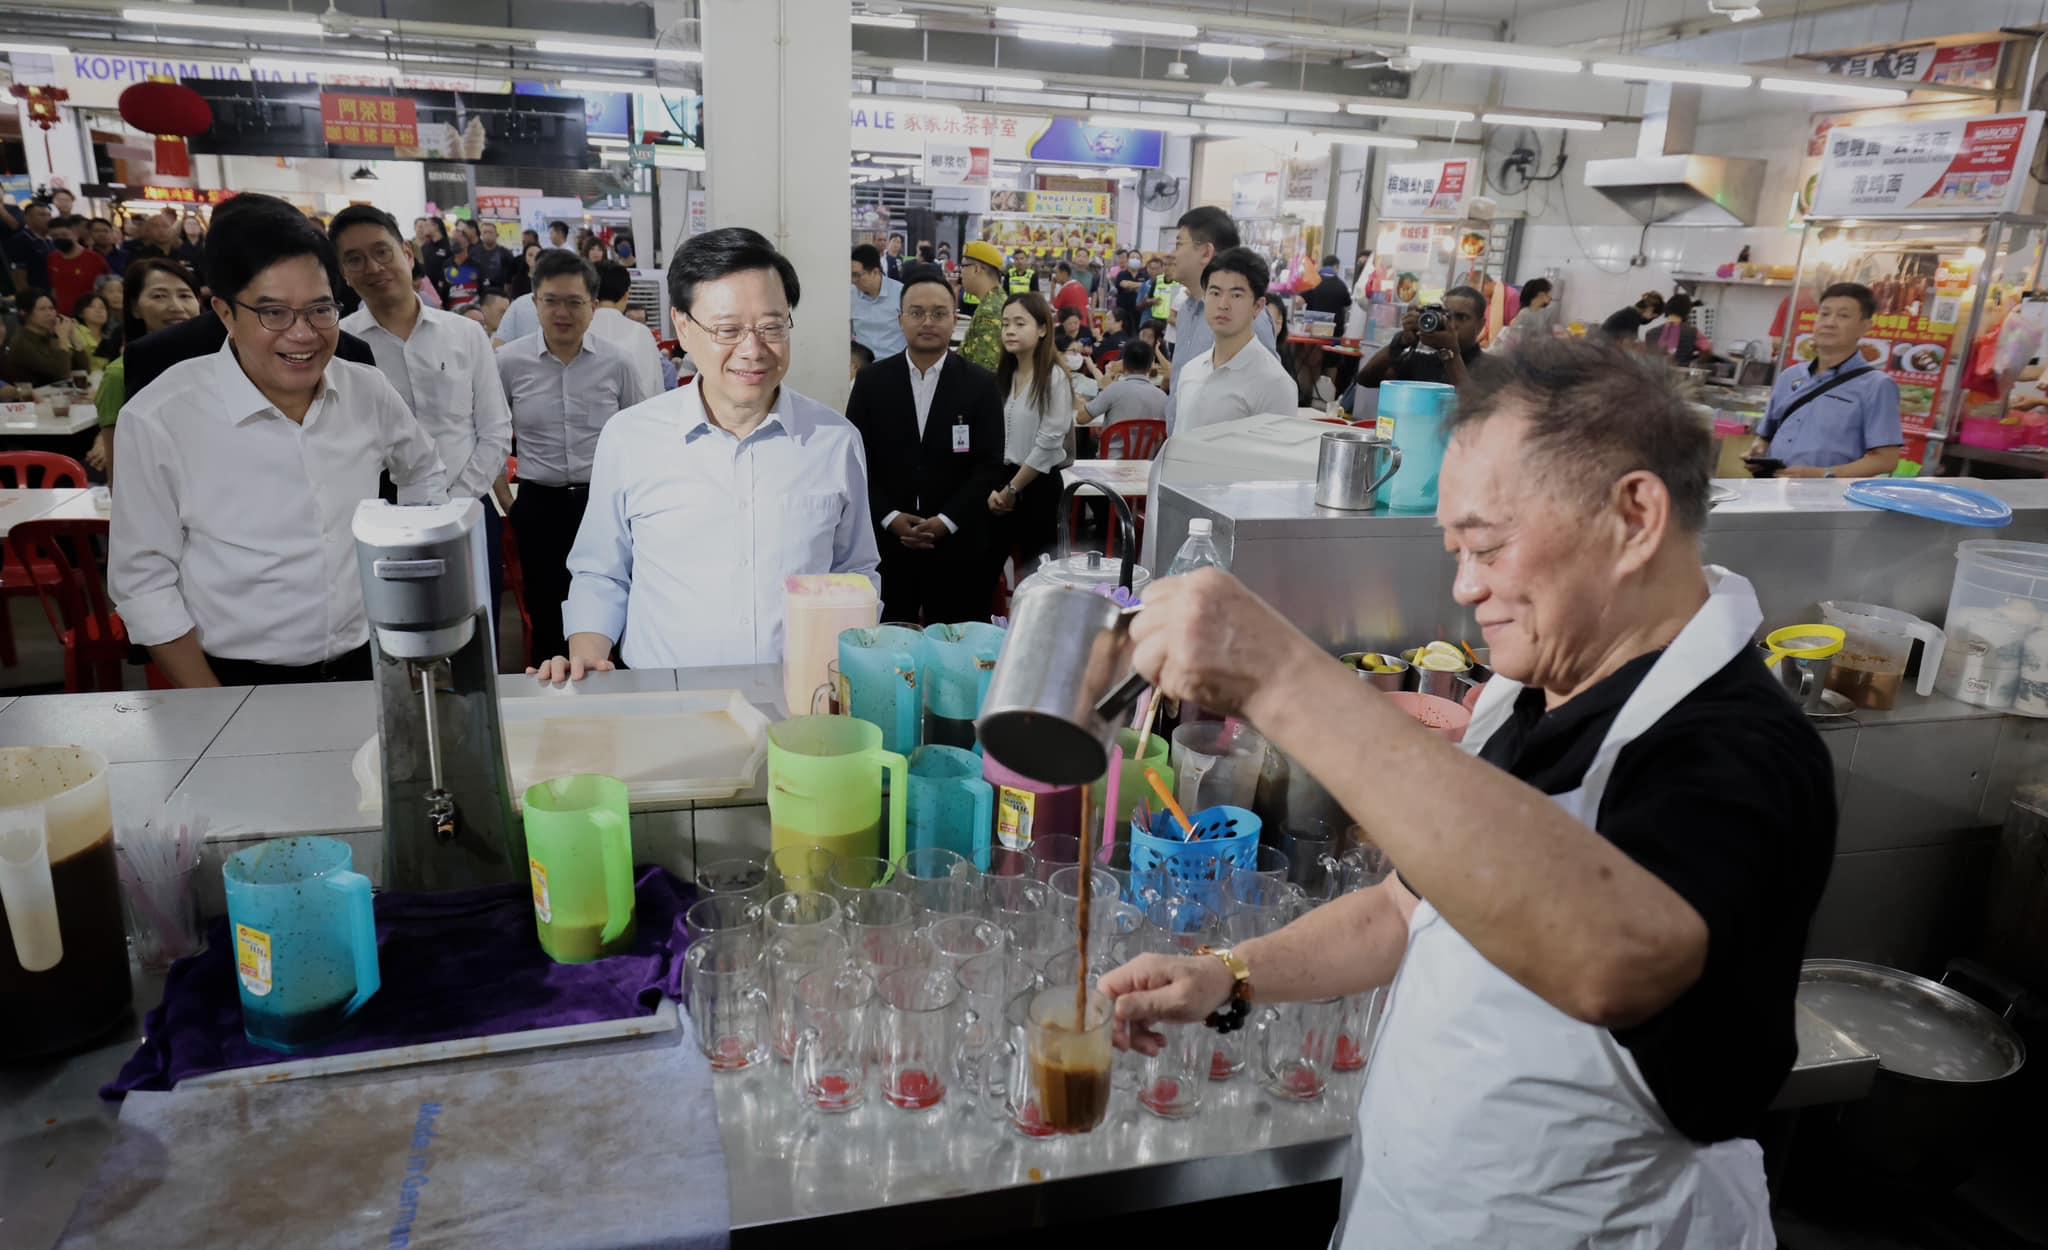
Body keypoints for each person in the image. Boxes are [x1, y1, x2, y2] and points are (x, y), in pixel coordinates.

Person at [1101, 335, 1832, 1250]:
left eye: (1486, 547)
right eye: (1456, 550)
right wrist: (1231, 975)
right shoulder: (1526, 693)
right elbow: (1409, 908)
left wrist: (1280, 675)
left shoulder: (1741, 753)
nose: (1464, 587)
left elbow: (1613, 958)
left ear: (1635, 516)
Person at [110, 205, 449, 688]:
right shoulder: (161, 417)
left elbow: (422, 470)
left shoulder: (366, 390)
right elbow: (142, 580)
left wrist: (408, 573)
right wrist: (212, 704)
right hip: (234, 678)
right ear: (225, 312)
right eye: (273, 312)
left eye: (320, 309)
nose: (303, 333)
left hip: (369, 664)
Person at [535, 227, 880, 680]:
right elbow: (601, 572)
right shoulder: (631, 438)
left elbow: (855, 571)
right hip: (666, 698)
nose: (752, 350)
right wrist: (587, 655)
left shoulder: (834, 441)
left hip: (801, 695)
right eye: (728, 329)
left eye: (772, 327)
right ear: (683, 326)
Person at [333, 204, 514, 604]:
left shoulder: (465, 334)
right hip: (378, 522)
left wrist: (453, 501)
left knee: (475, 624)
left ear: (407, 254)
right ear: (343, 273)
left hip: (466, 508)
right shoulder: (339, 345)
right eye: (355, 259)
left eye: (382, 252)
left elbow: (496, 429)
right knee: (390, 624)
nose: (373, 268)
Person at [496, 250, 650, 659]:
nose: (562, 312)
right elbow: (490, 434)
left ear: (593, 306)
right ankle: (551, 690)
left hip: (600, 504)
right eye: (551, 301)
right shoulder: (509, 363)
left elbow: (639, 436)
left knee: (610, 605)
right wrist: (508, 501)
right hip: (537, 504)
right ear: (535, 303)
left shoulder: (617, 363)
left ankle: (608, 684)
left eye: (574, 302)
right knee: (546, 609)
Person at [845, 265, 1006, 625]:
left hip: (958, 545)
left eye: (939, 313)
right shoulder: (872, 382)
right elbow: (855, 460)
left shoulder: (980, 385)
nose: (928, 322)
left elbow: (989, 465)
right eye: (917, 313)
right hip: (886, 545)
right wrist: (890, 517)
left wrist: (946, 521)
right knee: (889, 640)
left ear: (954, 320)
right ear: (900, 319)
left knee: (955, 641)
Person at [1745, 282, 1902, 479]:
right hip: (1773, 487)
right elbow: (1766, 436)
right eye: (1824, 314)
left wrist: (1821, 475)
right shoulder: (1790, 376)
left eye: (1843, 316)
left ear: (1865, 327)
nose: (1830, 323)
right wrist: (1758, 450)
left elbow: (1886, 460)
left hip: (1831, 495)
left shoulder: (1877, 386)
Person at [1163, 206, 1279, 428]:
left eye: (1179, 244)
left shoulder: (1248, 317)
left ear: (1206, 252)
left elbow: (1266, 395)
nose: (1171, 255)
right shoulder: (1187, 310)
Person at [987, 293, 1074, 577]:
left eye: (1020, 323)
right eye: (1005, 324)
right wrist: (997, 487)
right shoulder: (1003, 376)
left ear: (1042, 329)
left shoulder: (1053, 377)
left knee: (1037, 575)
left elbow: (1049, 442)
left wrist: (1013, 489)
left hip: (1038, 486)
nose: (1010, 331)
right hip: (1001, 484)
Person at [89, 257, 202, 475]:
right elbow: (119, 473)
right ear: (135, 308)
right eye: (159, 296)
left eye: (185, 295)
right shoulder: (120, 374)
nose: (176, 307)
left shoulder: (220, 365)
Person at [1171, 248, 1300, 437]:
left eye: (1236, 295)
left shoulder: (1274, 383)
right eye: (1215, 293)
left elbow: (1275, 455)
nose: (1223, 304)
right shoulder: (1191, 370)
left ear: (1258, 307)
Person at [1342, 284, 1487, 414]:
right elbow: (1366, 379)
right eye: (1447, 316)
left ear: (1481, 325)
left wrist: (1450, 352)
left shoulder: (1492, 367)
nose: (1452, 324)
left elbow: (1473, 408)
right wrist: (1400, 342)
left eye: (1462, 317)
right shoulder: (1424, 361)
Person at [589, 259, 665, 398]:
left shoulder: (578, 331)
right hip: (638, 410)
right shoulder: (641, 333)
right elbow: (657, 387)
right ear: (626, 295)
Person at [0, 290, 88, 386]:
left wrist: (73, 336)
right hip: (34, 394)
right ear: (24, 313)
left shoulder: (50, 337)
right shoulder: (21, 342)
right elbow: (62, 375)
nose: (49, 313)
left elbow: (84, 370)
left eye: (51, 308)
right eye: (42, 309)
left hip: (58, 392)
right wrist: (63, 338)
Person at [1083, 339, 1167, 428]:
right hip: (1150, 438)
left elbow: (1081, 418)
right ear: (1150, 366)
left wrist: (1102, 390)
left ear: (1124, 363)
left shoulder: (1113, 390)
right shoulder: (1163, 397)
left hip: (1115, 437)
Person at [957, 240, 1009, 373]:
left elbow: (984, 369)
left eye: (963, 266)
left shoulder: (990, 311)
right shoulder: (993, 301)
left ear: (977, 269)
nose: (960, 272)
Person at [850, 243, 906, 360]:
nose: (853, 280)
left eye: (857, 275)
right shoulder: (850, 295)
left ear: (875, 272)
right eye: (851, 275)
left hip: (893, 363)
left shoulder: (901, 293)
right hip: (864, 365)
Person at [46, 215, 110, 315]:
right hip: (63, 316)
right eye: (55, 236)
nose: (60, 239)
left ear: (75, 234)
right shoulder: (52, 259)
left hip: (88, 316)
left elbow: (106, 289)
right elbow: (54, 289)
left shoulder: (95, 259)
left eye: (64, 235)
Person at [5, 198, 53, 296]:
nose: (47, 218)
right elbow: (19, 276)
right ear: (27, 218)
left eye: (49, 215)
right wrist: (28, 298)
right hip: (36, 295)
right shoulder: (20, 240)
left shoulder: (52, 239)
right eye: (42, 215)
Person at [1494, 277, 1554, 353]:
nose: (1551, 296)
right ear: (1541, 294)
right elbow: (1515, 340)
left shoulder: (1542, 313)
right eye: (1549, 292)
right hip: (1521, 353)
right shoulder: (1525, 314)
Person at [1651, 293, 1711, 368]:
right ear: (1687, 312)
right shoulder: (1693, 332)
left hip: (1656, 372)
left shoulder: (1651, 333)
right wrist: (1698, 362)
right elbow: (1707, 349)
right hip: (1681, 373)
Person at [1303, 254, 1351, 338]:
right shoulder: (1341, 285)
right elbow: (1347, 302)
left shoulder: (1312, 281)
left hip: (1312, 328)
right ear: (1335, 266)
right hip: (1334, 330)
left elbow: (1301, 299)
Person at [69, 291, 112, 359]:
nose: (98, 310)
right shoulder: (75, 332)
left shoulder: (111, 338)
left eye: (102, 307)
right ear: (80, 313)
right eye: (92, 306)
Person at [472, 221, 514, 289]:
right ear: (481, 235)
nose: (488, 235)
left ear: (497, 235)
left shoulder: (505, 253)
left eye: (490, 232)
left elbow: (511, 276)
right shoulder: (474, 252)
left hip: (499, 291)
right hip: (479, 290)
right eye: (485, 232)